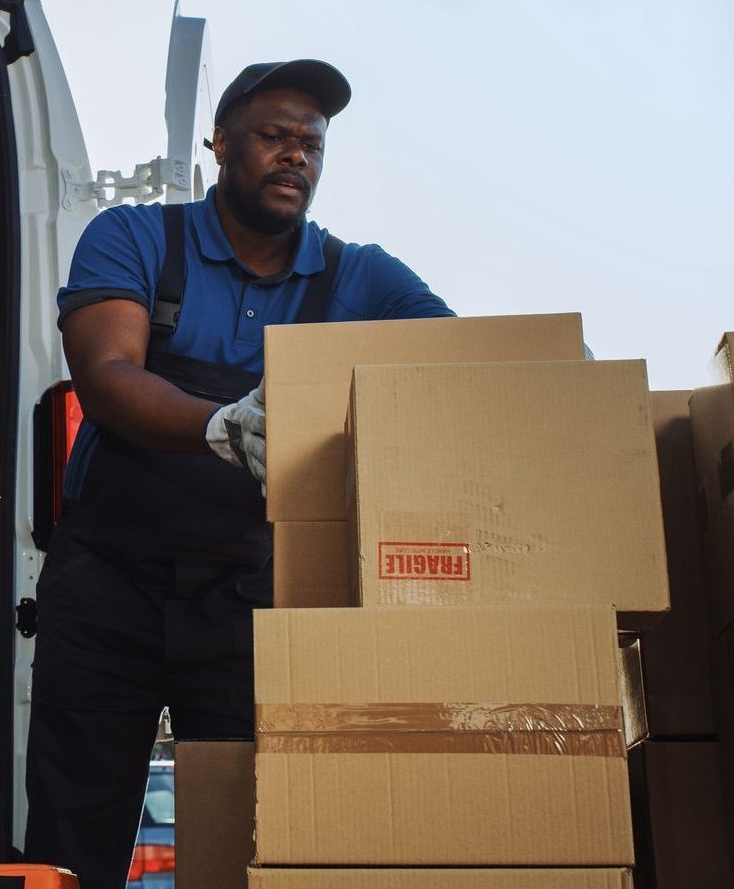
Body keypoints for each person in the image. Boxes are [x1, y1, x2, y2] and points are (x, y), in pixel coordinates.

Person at [24, 59, 453, 888]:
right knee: (73, 835)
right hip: (110, 589)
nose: (296, 156)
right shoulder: (138, 238)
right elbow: (108, 378)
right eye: (274, 136)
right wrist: (219, 425)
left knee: (249, 836)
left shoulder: (356, 275)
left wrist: (544, 367)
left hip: (249, 601)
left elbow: (458, 360)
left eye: (312, 145)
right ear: (220, 144)